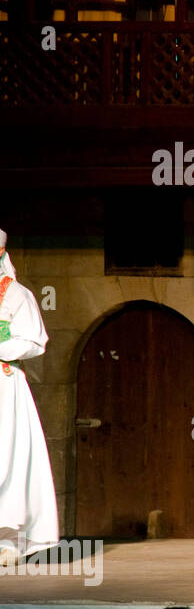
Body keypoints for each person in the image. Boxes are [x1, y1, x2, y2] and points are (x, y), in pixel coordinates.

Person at [0, 229, 60, 565]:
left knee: (7, 458)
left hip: (4, 385)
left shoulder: (17, 296)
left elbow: (35, 341)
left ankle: (8, 540)